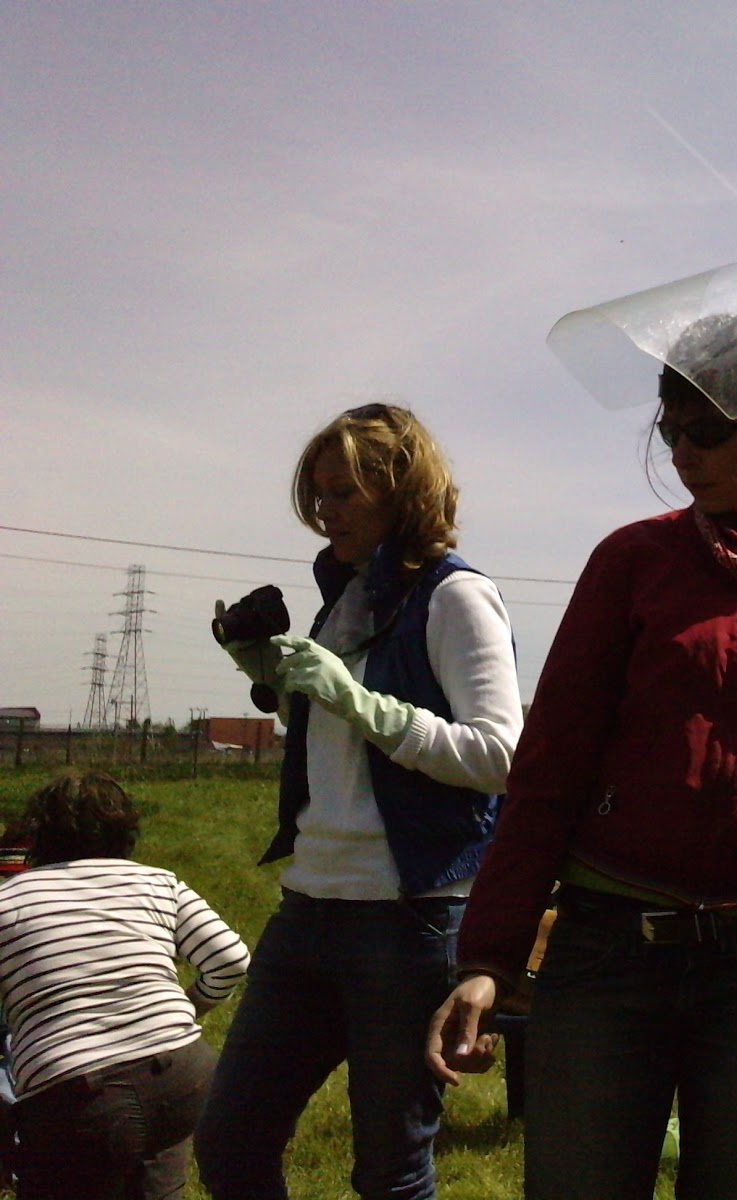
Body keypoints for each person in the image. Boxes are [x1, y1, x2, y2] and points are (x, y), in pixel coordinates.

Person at [426, 265, 737, 1200]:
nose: (683, 453)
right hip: (607, 952)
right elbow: (548, 769)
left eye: (708, 432)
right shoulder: (630, 563)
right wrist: (489, 959)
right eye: (670, 429)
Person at [195, 402, 522, 1200]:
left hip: (406, 920)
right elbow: (344, 739)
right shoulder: (345, 596)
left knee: (390, 1171)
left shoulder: (457, 596)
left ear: (402, 491)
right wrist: (273, 682)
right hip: (307, 907)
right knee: (229, 1140)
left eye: (343, 493)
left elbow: (499, 756)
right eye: (318, 494)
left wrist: (356, 700)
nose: (325, 512)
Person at [0, 771, 249, 1199]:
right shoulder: (158, 881)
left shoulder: (9, 900)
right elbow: (230, 960)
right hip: (184, 1076)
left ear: (40, 833)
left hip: (78, 1095)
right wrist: (186, 1009)